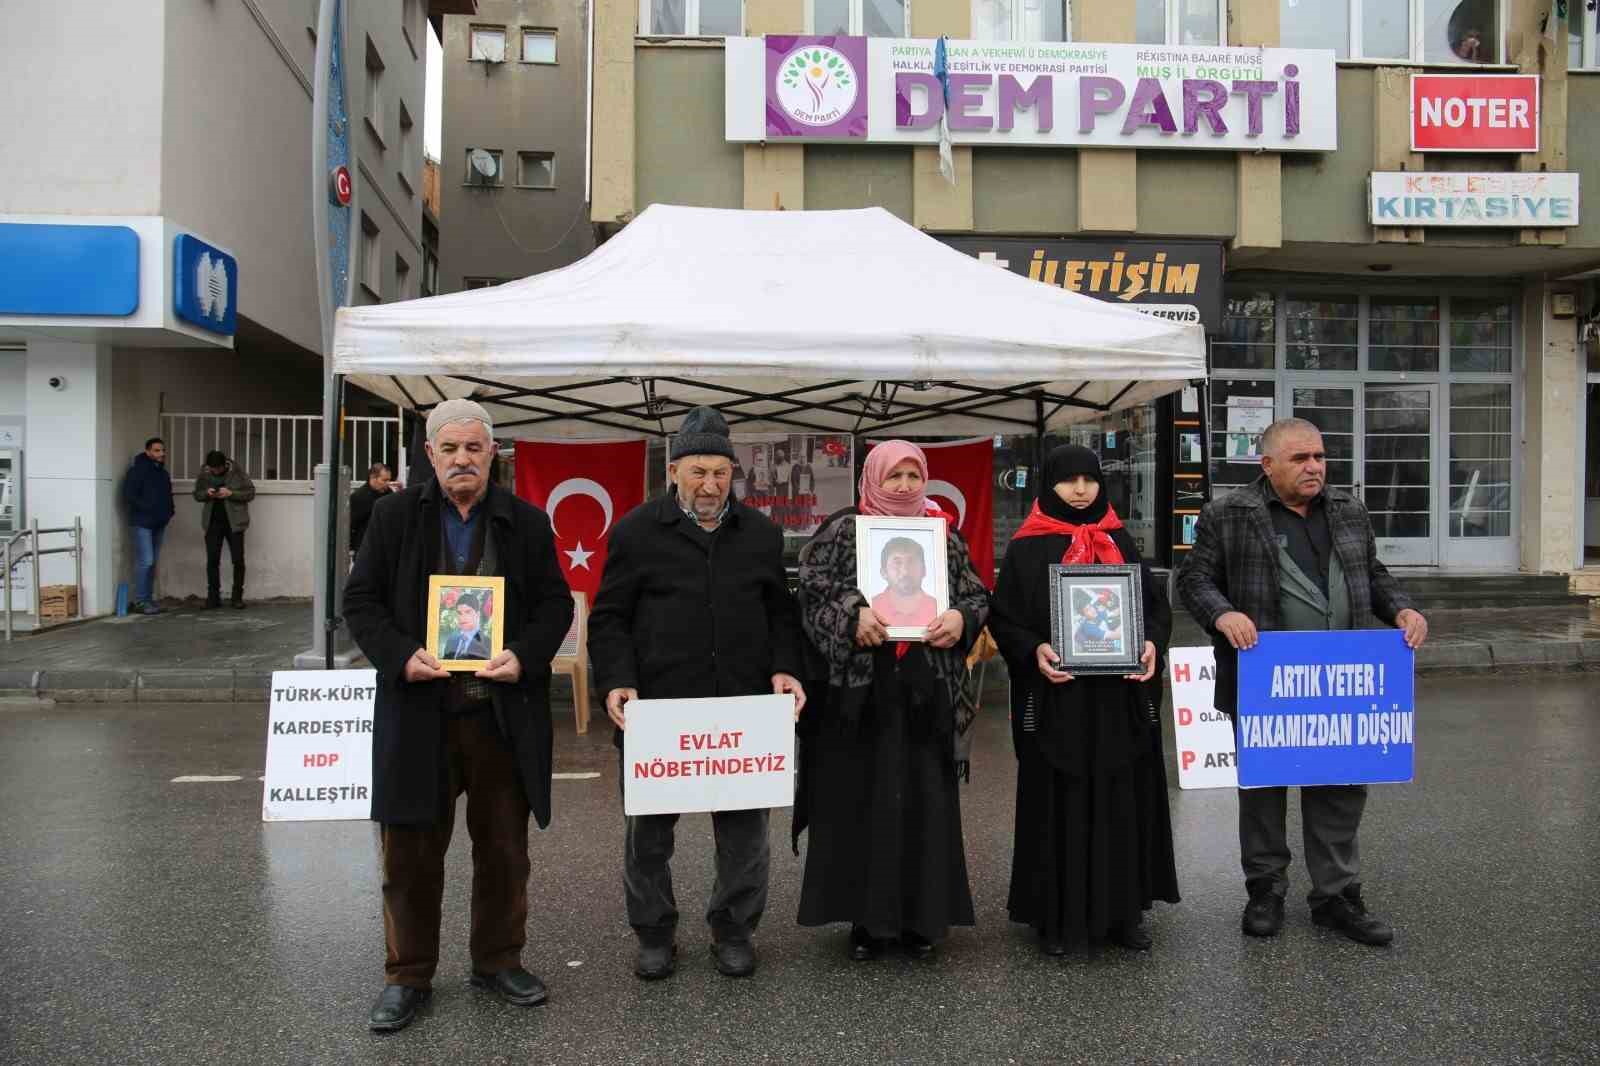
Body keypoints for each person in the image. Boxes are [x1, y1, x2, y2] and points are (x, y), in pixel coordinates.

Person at [344, 398, 574, 1033]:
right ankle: (407, 974)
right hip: (420, 713)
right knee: (410, 854)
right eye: (449, 449)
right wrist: (400, 657)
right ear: (429, 456)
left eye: (474, 448)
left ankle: (497, 961)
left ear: (493, 455)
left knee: (503, 849)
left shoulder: (525, 522)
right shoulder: (393, 517)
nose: (462, 459)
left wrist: (524, 657)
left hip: (499, 716)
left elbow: (556, 605)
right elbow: (360, 603)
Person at [1176, 417, 1429, 947]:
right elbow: (1194, 580)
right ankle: (1265, 890)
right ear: (1267, 465)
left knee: (1339, 789)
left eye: (1318, 456)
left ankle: (1336, 897)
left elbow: (1373, 574)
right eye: (1300, 459)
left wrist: (1402, 610)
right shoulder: (1229, 513)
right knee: (1265, 790)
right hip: (1264, 681)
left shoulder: (1348, 509)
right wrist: (1223, 615)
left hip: (1342, 682)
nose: (1314, 467)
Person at [588, 405, 805, 982]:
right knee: (649, 837)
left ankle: (733, 930)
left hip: (741, 708)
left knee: (744, 836)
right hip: (658, 711)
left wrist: (786, 668)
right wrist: (616, 679)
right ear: (674, 471)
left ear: (733, 473)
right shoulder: (636, 531)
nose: (709, 485)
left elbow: (782, 616)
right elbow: (609, 617)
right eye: (697, 472)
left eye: (719, 473)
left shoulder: (761, 534)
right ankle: (655, 933)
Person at [794, 440, 989, 961]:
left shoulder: (941, 532)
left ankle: (922, 919)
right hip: (862, 690)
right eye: (894, 476)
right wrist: (852, 614)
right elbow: (811, 589)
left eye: (912, 475)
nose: (903, 486)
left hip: (926, 687)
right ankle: (867, 922)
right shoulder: (844, 528)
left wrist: (962, 620)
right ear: (873, 478)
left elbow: (974, 594)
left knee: (924, 801)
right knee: (862, 801)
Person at [989, 445, 1178, 955]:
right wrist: (1035, 649)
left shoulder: (1120, 540)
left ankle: (1124, 911)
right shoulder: (1027, 548)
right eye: (1068, 480)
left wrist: (1150, 645)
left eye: (1089, 480)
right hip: (1059, 702)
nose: (1080, 490)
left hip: (1119, 702)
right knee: (1059, 802)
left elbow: (1156, 610)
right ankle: (1054, 915)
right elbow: (1004, 619)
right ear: (1048, 484)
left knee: (1122, 799)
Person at [192, 449, 255, 609]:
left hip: (234, 523)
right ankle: (213, 599)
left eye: (218, 469)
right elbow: (197, 494)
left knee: (238, 560)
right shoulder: (204, 474)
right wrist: (207, 493)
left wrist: (230, 493)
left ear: (224, 465)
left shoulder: (237, 472)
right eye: (212, 469)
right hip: (213, 523)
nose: (215, 471)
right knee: (212, 561)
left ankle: (237, 598)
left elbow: (250, 492)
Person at [124, 436, 174, 615]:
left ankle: (148, 600)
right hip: (142, 523)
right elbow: (129, 495)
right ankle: (141, 601)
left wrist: (169, 512)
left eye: (163, 450)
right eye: (157, 450)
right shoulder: (137, 471)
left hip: (159, 522)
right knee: (146, 561)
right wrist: (147, 509)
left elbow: (168, 495)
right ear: (148, 452)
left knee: (152, 563)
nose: (162, 453)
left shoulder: (162, 473)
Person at [869, 537, 939, 628]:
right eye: (897, 563)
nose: (905, 571)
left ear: (924, 570)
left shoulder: (939, 609)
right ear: (884, 572)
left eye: (911, 562)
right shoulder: (870, 608)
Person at [350, 462, 394, 556]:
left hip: (385, 547)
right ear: (373, 478)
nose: (387, 484)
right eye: (384, 480)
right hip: (364, 548)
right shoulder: (358, 497)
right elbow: (352, 524)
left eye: (389, 480)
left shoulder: (389, 494)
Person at [441, 592, 492, 660]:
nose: (462, 618)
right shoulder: (451, 641)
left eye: (468, 612)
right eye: (459, 613)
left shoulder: (488, 643)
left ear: (478, 615)